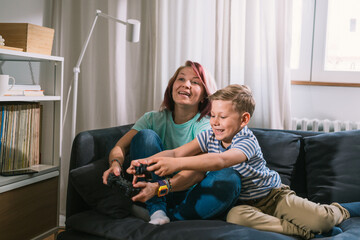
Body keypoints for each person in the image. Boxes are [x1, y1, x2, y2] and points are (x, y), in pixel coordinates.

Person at [129, 84, 360, 239]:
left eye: (222, 117)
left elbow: (220, 161)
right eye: (213, 116)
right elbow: (177, 153)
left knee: (321, 218)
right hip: (243, 204)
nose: (215, 122)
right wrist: (144, 161)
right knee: (235, 217)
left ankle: (339, 212)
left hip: (273, 197)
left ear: (244, 119)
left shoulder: (246, 141)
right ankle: (308, 233)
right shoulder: (208, 134)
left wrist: (177, 165)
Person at [103, 60, 236, 225]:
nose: (186, 85)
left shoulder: (207, 125)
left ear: (204, 95)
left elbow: (196, 173)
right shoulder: (152, 119)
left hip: (187, 194)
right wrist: (115, 164)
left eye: (195, 82)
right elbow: (120, 146)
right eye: (181, 79)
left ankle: (166, 216)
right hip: (152, 191)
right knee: (145, 136)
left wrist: (160, 187)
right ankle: (157, 210)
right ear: (172, 86)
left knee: (230, 177)